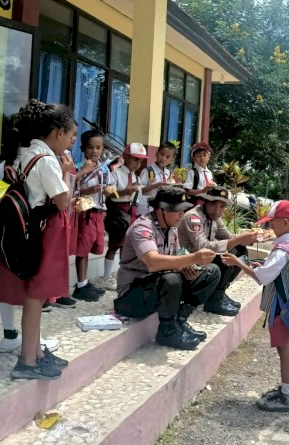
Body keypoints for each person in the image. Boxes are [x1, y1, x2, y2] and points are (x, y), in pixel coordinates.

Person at [0, 99, 75, 380]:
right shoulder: (47, 160)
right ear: (57, 132)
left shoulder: (25, 153)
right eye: (70, 134)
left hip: (27, 231)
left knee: (34, 297)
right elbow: (63, 201)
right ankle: (27, 361)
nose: (70, 141)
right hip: (42, 231)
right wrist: (67, 173)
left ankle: (35, 352)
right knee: (36, 298)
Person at [113, 187, 220, 351]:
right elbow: (153, 263)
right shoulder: (142, 228)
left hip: (158, 287)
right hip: (132, 297)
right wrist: (192, 258)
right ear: (161, 209)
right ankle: (167, 332)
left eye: (183, 210)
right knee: (171, 279)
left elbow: (177, 256)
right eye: (177, 210)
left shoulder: (172, 229)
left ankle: (179, 320)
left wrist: (188, 267)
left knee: (211, 272)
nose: (181, 215)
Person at [221, 199, 289, 412]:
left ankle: (285, 398)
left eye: (272, 223)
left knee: (283, 349)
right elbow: (276, 271)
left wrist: (239, 263)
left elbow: (262, 278)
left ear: (284, 222)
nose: (270, 227)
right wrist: (260, 265)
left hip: (280, 307)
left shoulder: (281, 250)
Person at [177, 185, 258, 316]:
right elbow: (202, 246)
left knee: (240, 250)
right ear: (205, 202)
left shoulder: (214, 217)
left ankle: (219, 293)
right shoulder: (193, 217)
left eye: (222, 207)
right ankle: (214, 301)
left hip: (204, 259)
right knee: (227, 256)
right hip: (190, 263)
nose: (217, 210)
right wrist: (235, 240)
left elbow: (229, 237)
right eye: (213, 205)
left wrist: (252, 238)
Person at [73, 130, 116, 300]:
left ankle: (84, 282)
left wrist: (108, 191)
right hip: (85, 212)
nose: (95, 151)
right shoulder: (78, 167)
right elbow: (72, 189)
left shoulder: (104, 169)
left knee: (91, 247)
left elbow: (111, 188)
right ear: (83, 148)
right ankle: (81, 285)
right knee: (82, 249)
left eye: (98, 147)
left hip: (99, 212)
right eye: (90, 147)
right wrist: (89, 189)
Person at [100, 142, 148, 292]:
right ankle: (106, 277)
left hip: (132, 212)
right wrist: (123, 192)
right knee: (114, 244)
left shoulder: (136, 177)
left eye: (140, 161)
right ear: (125, 157)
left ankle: (124, 275)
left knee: (127, 247)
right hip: (118, 211)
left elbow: (139, 197)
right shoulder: (116, 173)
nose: (137, 164)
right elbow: (108, 193)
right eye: (135, 159)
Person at [138, 141, 177, 214]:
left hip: (163, 211)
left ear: (172, 159)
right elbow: (140, 190)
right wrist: (157, 185)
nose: (163, 158)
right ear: (156, 153)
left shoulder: (168, 174)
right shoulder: (148, 171)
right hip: (148, 209)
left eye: (167, 157)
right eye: (161, 154)